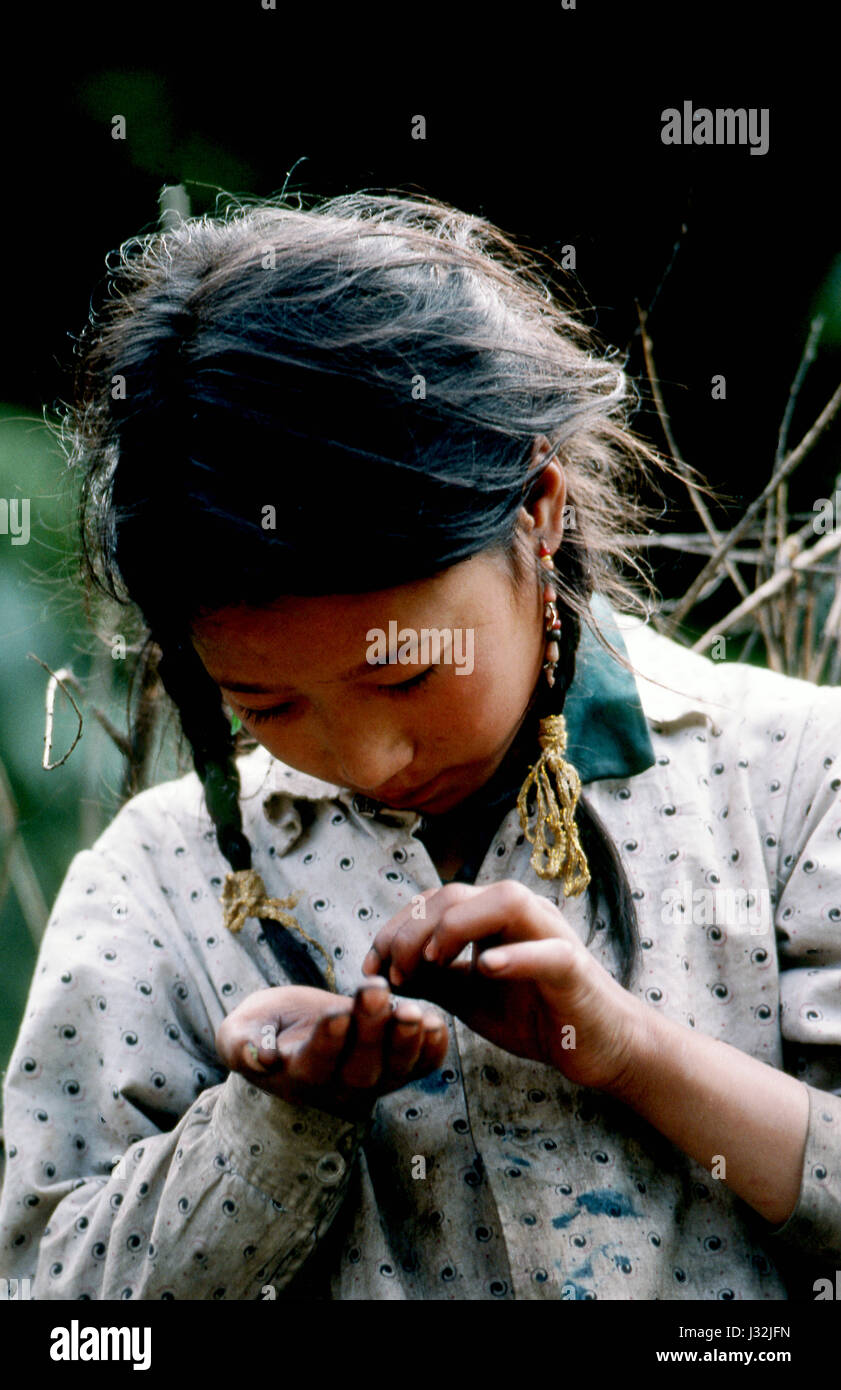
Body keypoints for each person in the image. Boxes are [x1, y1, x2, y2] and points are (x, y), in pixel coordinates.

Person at [1, 191, 839, 1301]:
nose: (373, 757)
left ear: (536, 511)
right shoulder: (157, 884)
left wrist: (632, 1050)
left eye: (404, 671)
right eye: (267, 703)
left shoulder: (788, 782)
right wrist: (274, 1119)